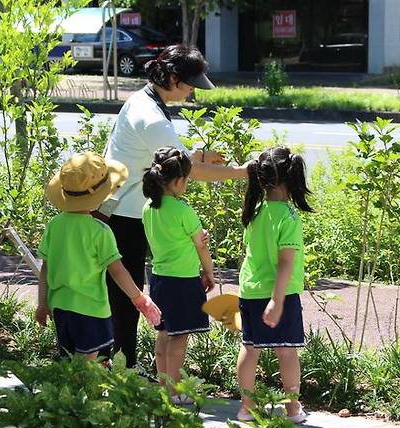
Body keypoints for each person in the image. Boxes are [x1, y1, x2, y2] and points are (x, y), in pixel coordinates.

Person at [102, 44, 248, 368]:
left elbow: (170, 158)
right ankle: (121, 371)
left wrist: (196, 154)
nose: (192, 91)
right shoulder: (151, 116)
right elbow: (187, 171)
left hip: (130, 209)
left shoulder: (144, 100)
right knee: (127, 297)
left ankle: (122, 367)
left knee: (128, 293)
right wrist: (243, 172)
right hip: (124, 214)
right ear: (170, 77)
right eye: (189, 84)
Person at [35, 152, 161, 360]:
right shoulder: (100, 231)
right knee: (87, 363)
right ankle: (84, 392)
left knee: (69, 360)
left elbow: (45, 268)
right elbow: (117, 270)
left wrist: (42, 303)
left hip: (60, 307)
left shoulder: (54, 225)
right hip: (90, 310)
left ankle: (68, 392)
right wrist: (138, 298)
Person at [235, 147, 314, 424]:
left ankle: (246, 408)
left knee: (249, 347)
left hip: (249, 290)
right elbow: (285, 263)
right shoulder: (289, 217)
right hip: (280, 294)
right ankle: (292, 409)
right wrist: (277, 301)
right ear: (291, 180)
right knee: (287, 351)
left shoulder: (254, 211)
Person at [141, 147, 215, 401]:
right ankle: (175, 390)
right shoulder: (183, 211)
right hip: (182, 282)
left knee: (163, 333)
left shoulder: (148, 208)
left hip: (159, 279)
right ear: (179, 181)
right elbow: (201, 246)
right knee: (179, 338)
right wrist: (209, 272)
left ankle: (164, 386)